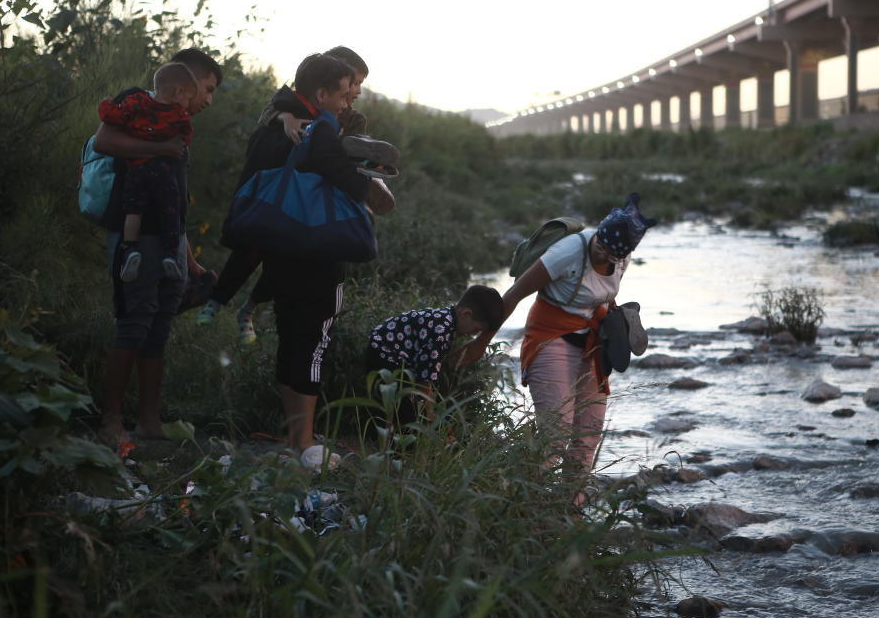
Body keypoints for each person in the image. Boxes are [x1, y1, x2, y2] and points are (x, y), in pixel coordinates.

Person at [220, 53, 372, 460]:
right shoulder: (325, 131)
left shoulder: (276, 125)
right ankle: (305, 445)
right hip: (319, 250)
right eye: (349, 86)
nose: (353, 95)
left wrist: (281, 117)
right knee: (312, 344)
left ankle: (295, 441)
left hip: (279, 246)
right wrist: (374, 190)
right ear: (324, 91)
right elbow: (354, 186)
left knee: (291, 340)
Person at [459, 197, 657, 499]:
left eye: (610, 253)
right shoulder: (568, 252)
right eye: (599, 244)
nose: (600, 253)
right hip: (550, 335)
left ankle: (571, 510)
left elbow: (601, 294)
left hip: (592, 341)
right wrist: (479, 343)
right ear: (599, 232)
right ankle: (527, 504)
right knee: (556, 432)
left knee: (588, 432)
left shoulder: (621, 256)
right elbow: (512, 296)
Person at [198, 46, 395, 344]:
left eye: (357, 85)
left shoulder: (352, 119)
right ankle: (219, 299)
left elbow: (348, 156)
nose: (355, 92)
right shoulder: (293, 103)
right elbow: (272, 112)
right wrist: (284, 117)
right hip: (279, 183)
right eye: (353, 83)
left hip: (312, 196)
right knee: (257, 243)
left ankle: (247, 306)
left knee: (285, 250)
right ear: (330, 85)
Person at [95, 48, 222, 449]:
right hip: (135, 237)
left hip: (168, 241)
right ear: (187, 82)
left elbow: (173, 202)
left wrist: (190, 261)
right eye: (208, 89)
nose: (208, 100)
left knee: (158, 328)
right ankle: (111, 420)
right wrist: (161, 149)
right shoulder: (140, 102)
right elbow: (103, 140)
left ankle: (149, 421)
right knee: (134, 322)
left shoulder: (178, 123)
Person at [97, 62, 197, 282]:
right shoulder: (178, 115)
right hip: (162, 173)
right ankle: (170, 254)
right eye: (189, 97)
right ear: (179, 92)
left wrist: (105, 104)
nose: (188, 104)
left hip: (136, 169)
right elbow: (185, 137)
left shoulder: (137, 102)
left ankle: (130, 248)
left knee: (133, 210)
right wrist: (167, 146)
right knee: (169, 207)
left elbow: (114, 115)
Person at [366, 285, 504, 422]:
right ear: (466, 314)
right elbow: (424, 377)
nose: (474, 334)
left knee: (407, 402)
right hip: (384, 353)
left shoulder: (446, 319)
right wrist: (429, 411)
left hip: (385, 348)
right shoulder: (440, 330)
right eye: (476, 329)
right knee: (406, 410)